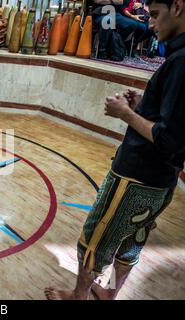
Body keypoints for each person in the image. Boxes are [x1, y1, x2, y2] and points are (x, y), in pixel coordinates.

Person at [46, 0, 185, 300]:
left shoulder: (181, 61)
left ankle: (78, 296)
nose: (150, 24)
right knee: (132, 238)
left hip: (137, 174)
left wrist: (126, 114)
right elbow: (172, 122)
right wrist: (142, 108)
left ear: (178, 6)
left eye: (156, 15)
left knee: (97, 237)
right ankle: (110, 292)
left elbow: (168, 138)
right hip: (162, 179)